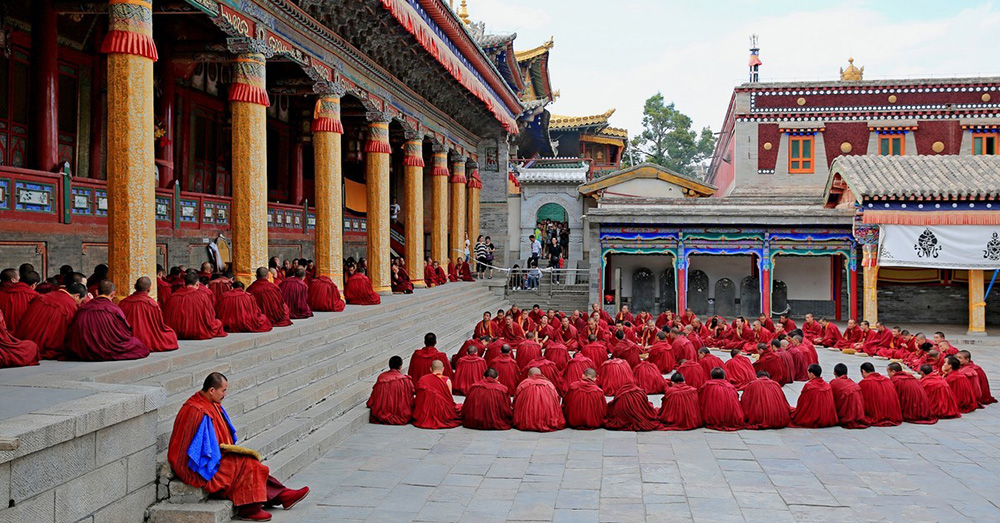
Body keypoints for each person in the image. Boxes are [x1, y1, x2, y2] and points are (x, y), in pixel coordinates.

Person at [168, 373, 309, 521]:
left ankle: (284, 495)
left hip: (215, 455)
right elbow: (196, 450)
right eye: (223, 391)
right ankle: (249, 510)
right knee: (246, 465)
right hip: (198, 465)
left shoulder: (211, 403)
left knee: (252, 463)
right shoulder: (197, 410)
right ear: (211, 390)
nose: (225, 394)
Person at [16, 282, 87, 359]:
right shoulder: (70, 306)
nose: (80, 303)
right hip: (44, 345)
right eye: (81, 300)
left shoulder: (44, 296)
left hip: (24, 337)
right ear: (77, 296)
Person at [118, 277, 179, 353]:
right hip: (148, 339)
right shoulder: (152, 304)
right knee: (171, 335)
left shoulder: (123, 303)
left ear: (135, 287)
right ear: (149, 289)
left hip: (128, 339)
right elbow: (159, 326)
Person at [164, 272, 227, 340]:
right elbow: (210, 316)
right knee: (218, 323)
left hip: (176, 331)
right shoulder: (202, 296)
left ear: (184, 283)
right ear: (197, 284)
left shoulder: (173, 296)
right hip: (198, 331)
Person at [513, 368, 565, 432]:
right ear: (541, 374)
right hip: (548, 418)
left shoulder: (523, 384)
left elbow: (515, 401)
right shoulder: (549, 384)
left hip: (527, 420)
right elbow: (557, 400)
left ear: (528, 375)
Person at [413, 360, 461, 429]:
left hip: (425, 411)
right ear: (443, 369)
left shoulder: (423, 379)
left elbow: (419, 399)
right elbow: (449, 400)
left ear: (430, 369)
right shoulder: (447, 380)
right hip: (442, 412)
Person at [366, 356, 414, 425]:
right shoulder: (405, 380)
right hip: (401, 414)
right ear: (400, 367)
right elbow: (410, 397)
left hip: (381, 414)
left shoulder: (382, 378)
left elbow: (374, 396)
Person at [790, 364, 839, 428]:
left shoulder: (809, 386)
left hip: (814, 418)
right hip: (828, 418)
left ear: (812, 374)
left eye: (808, 373)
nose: (807, 374)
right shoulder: (827, 385)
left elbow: (802, 403)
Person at [858, 362, 903, 426]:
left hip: (876, 415)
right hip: (892, 415)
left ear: (863, 371)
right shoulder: (887, 380)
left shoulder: (864, 383)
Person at [827, 363, 867, 429]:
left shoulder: (833, 383)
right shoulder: (854, 384)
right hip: (859, 415)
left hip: (845, 416)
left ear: (834, 373)